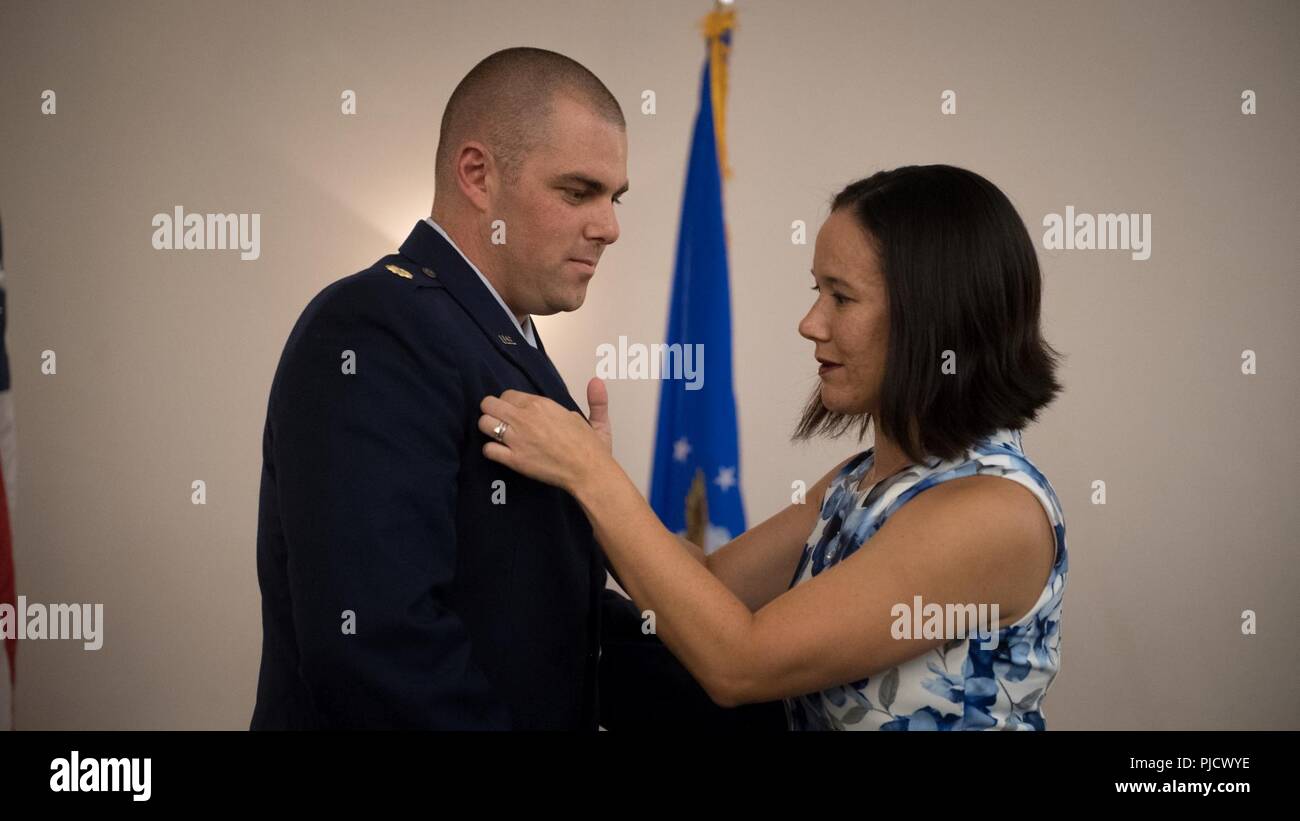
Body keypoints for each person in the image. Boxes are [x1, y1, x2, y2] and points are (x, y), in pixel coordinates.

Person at [477, 164, 1070, 730]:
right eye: (819, 291)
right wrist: (589, 477)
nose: (810, 323)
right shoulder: (862, 478)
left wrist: (592, 479)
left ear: (935, 318)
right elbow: (710, 585)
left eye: (841, 297)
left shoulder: (989, 513)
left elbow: (740, 662)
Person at [251, 47, 630, 729]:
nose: (609, 226)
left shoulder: (493, 335)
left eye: (614, 197)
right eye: (578, 192)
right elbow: (378, 648)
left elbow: (554, 616)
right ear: (478, 175)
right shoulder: (377, 325)